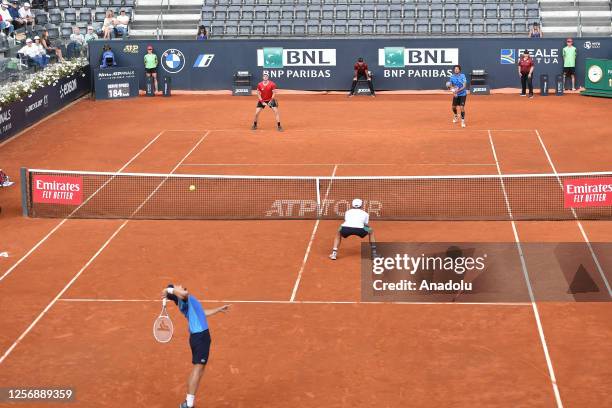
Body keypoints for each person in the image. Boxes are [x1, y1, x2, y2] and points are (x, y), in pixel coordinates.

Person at [161, 284, 230, 408]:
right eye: (177, 286)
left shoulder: (187, 302)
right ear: (176, 293)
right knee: (197, 369)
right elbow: (183, 293)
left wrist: (218, 309)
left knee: (199, 369)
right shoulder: (183, 298)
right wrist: (168, 289)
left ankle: (189, 402)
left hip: (199, 336)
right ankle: (188, 403)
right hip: (200, 337)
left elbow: (202, 313)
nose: (180, 285)